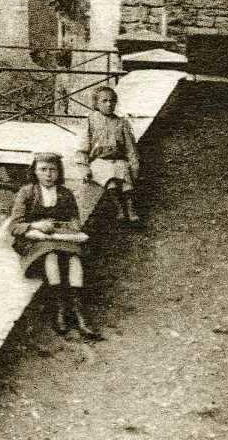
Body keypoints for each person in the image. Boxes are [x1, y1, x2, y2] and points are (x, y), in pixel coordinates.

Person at [8, 151, 102, 339]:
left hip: (61, 236)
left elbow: (75, 220)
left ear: (59, 172)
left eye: (53, 170)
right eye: (43, 170)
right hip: (35, 238)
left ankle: (78, 312)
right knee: (51, 254)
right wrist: (36, 225)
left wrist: (70, 226)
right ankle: (59, 308)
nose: (48, 174)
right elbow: (15, 226)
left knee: (74, 257)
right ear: (35, 172)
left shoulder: (65, 193)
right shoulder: (27, 192)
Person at [78, 85, 143, 227]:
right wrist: (84, 167)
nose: (109, 104)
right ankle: (119, 208)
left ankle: (131, 210)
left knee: (126, 180)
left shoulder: (122, 123)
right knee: (111, 182)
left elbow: (130, 148)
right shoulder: (91, 121)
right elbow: (83, 147)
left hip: (118, 159)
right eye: (104, 101)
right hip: (99, 160)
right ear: (96, 103)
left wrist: (134, 164)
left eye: (112, 101)